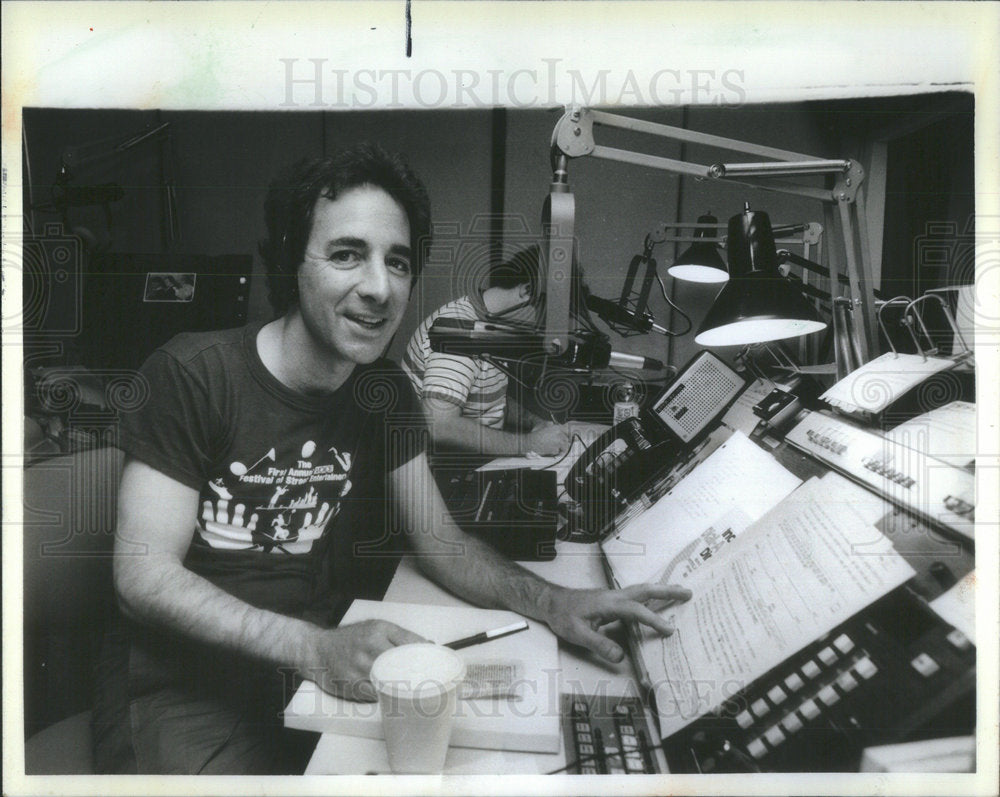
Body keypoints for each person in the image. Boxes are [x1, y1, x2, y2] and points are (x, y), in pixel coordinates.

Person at [92, 144, 691, 775]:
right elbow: (143, 581)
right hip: (181, 688)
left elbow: (439, 541)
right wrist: (311, 646)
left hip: (309, 675)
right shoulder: (192, 374)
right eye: (347, 254)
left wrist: (554, 604)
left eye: (398, 262)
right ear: (293, 258)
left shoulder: (386, 394)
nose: (379, 288)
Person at [402, 245, 572, 456]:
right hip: (435, 469)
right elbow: (439, 425)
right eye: (546, 320)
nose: (543, 332)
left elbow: (486, 401)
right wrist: (529, 444)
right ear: (527, 291)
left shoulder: (492, 331)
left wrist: (535, 422)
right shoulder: (461, 330)